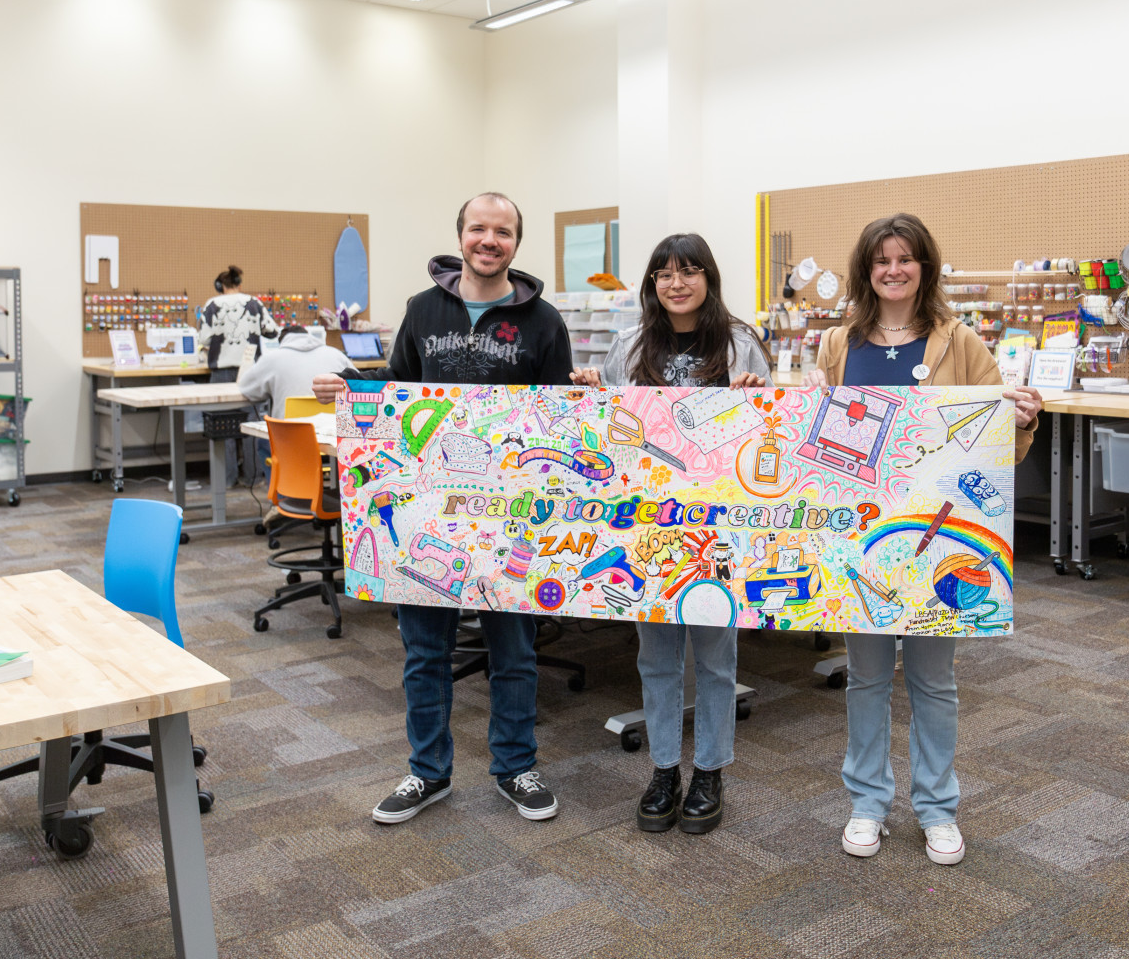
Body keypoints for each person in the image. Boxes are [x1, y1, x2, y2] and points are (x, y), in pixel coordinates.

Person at [312, 192, 574, 826]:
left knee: (513, 654)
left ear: (517, 242)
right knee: (425, 654)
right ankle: (427, 773)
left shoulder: (544, 321)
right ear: (460, 237)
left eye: (503, 232)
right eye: (479, 229)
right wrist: (352, 394)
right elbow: (397, 397)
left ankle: (516, 767)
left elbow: (559, 423)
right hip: (427, 509)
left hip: (512, 515)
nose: (490, 240)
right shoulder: (423, 311)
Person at [806, 212, 1042, 867]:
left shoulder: (957, 341)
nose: (893, 270)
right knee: (867, 678)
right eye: (881, 260)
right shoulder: (837, 344)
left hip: (942, 543)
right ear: (866, 270)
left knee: (935, 682)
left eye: (904, 258)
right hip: (862, 544)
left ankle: (938, 807)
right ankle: (867, 803)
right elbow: (812, 444)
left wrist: (1020, 418)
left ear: (923, 267)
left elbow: (998, 444)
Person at [571, 234, 769, 835]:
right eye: (662, 274)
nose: (675, 284)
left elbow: (770, 436)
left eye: (688, 272)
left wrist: (762, 399)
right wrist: (589, 395)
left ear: (708, 277)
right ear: (651, 284)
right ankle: (663, 769)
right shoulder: (630, 343)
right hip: (647, 523)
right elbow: (610, 431)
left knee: (715, 656)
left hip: (718, 524)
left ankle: (709, 770)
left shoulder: (740, 342)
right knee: (655, 657)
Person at [237, 324, 349, 413]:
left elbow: (245, 387)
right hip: (332, 435)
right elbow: (361, 388)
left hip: (288, 436)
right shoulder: (337, 355)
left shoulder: (271, 358)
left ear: (282, 342)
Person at [197, 264, 279, 379]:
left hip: (221, 372)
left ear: (220, 286)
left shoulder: (212, 305)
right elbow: (273, 331)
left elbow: (204, 340)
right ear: (239, 285)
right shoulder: (253, 303)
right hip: (251, 370)